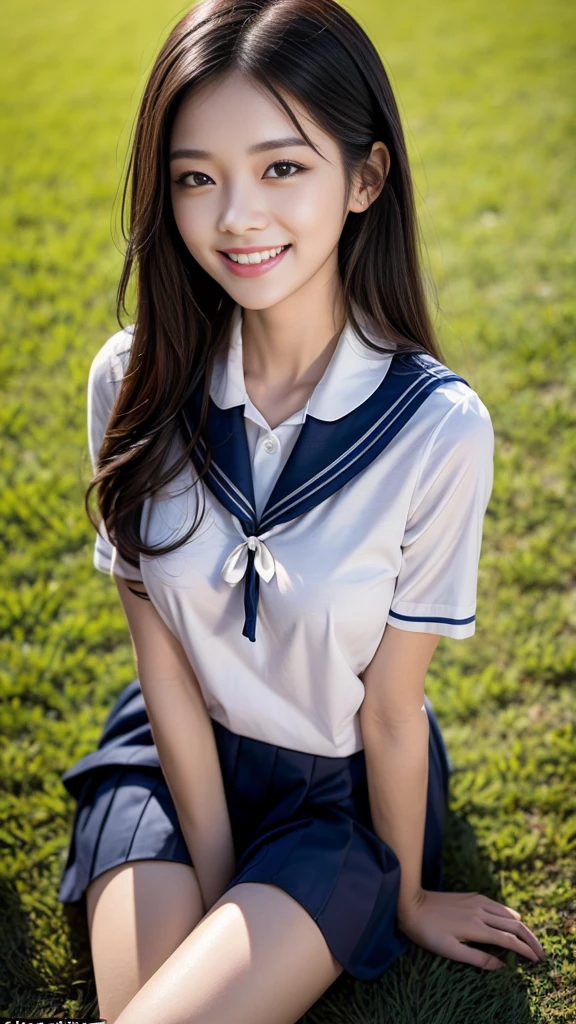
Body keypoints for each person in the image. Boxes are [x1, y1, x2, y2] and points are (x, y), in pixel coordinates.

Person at [56, 0, 546, 1020]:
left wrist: (406, 894)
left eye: (282, 168)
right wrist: (217, 866)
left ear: (364, 178)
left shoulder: (436, 428)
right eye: (197, 176)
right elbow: (160, 658)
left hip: (335, 794)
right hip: (167, 754)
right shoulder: (132, 378)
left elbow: (391, 710)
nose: (235, 216)